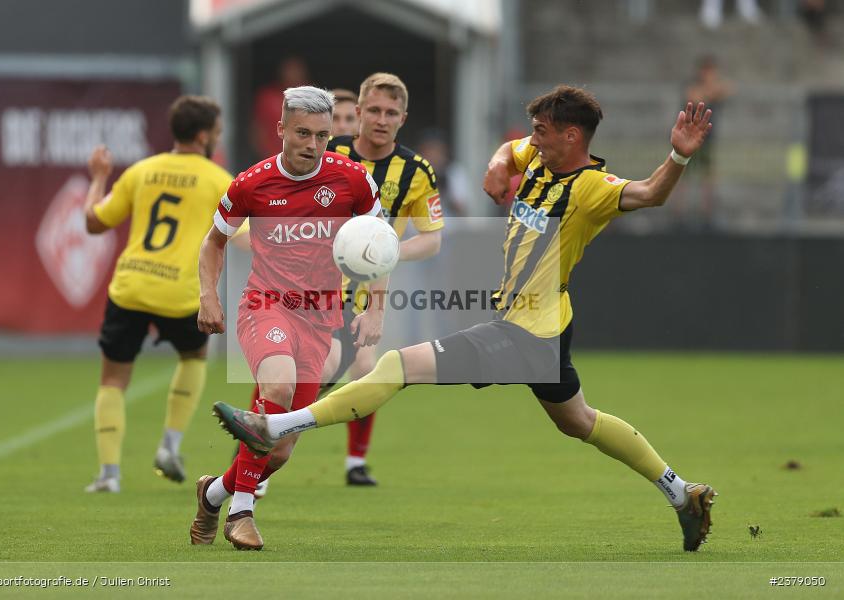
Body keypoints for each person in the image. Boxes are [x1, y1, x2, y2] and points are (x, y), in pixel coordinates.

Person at [214, 85, 720, 552]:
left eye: (540, 133)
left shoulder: (590, 188)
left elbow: (651, 192)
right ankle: (681, 494)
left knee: (395, 366)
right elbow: (509, 152)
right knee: (579, 421)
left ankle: (276, 426)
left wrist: (678, 155)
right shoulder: (541, 158)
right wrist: (501, 164)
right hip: (548, 326)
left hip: (525, 332)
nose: (529, 142)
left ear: (571, 136)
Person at [190, 86, 384, 551]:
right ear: (280, 130)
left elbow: (380, 243)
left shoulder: (353, 180)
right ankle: (242, 513)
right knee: (276, 387)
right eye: (302, 133)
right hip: (266, 305)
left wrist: (375, 306)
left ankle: (214, 494)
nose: (313, 144)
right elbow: (213, 242)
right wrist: (207, 296)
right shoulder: (251, 183)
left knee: (279, 450)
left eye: (322, 134)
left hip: (320, 319)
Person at [239, 75, 444, 488]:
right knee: (287, 377)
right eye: (373, 111)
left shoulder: (418, 171)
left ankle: (351, 460)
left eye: (390, 113)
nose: (380, 120)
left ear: (403, 119)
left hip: (365, 292)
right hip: (310, 294)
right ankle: (255, 452)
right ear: (358, 112)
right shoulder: (327, 153)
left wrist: (379, 251)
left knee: (363, 370)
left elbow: (432, 240)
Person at [83, 96, 232, 493]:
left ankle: (109, 475)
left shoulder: (141, 171)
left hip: (131, 286)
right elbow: (247, 236)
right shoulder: (219, 179)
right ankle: (170, 446)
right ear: (203, 135)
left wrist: (98, 177)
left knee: (113, 379)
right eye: (217, 131)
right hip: (182, 293)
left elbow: (95, 222)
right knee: (195, 357)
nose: (218, 137)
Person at [680, 55, 734, 228]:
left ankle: (707, 215)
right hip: (687, 140)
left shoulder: (712, 86)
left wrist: (712, 90)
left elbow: (728, 89)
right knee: (682, 177)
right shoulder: (693, 86)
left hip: (706, 140)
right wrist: (711, 91)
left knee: (708, 178)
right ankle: (679, 216)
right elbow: (696, 97)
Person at [251, 57, 310, 159]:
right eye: (289, 70)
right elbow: (257, 130)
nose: (292, 74)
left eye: (296, 70)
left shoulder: (312, 96)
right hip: (272, 157)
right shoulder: (267, 96)